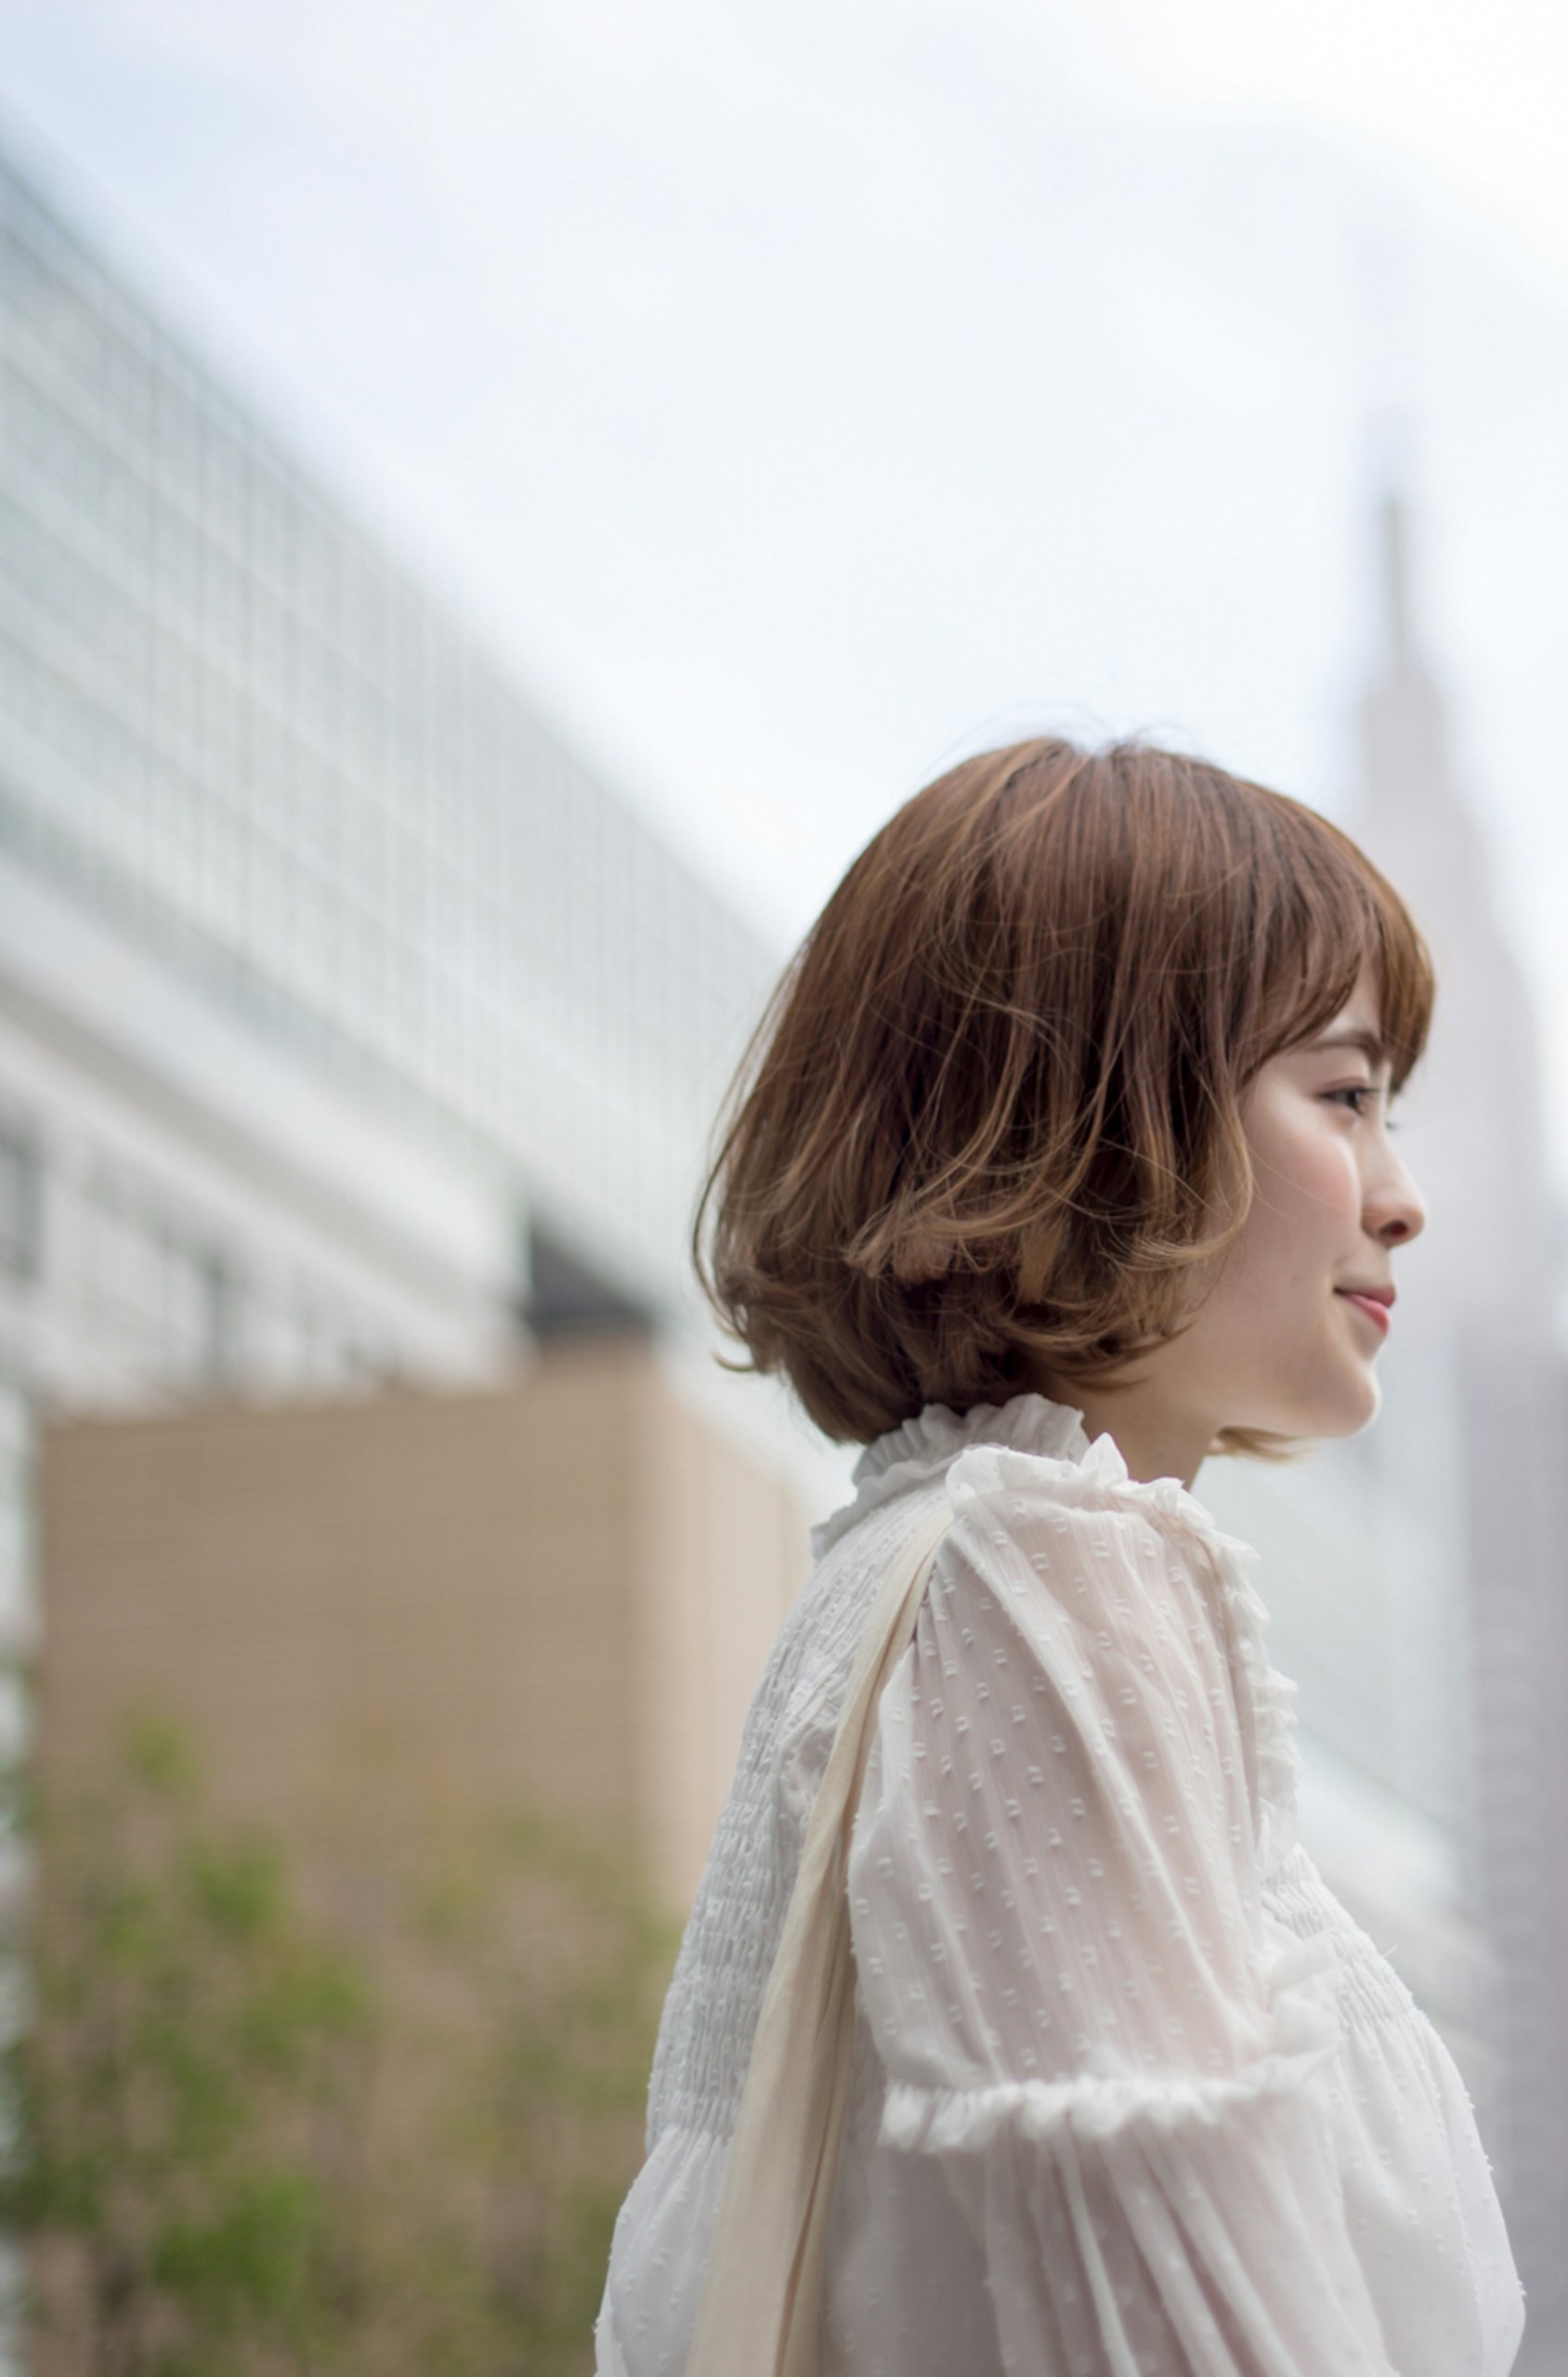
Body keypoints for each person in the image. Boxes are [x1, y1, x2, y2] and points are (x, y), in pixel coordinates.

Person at [595, 738, 1522, 2376]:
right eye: (1348, 1094)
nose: (1403, 1198)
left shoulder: (915, 1572)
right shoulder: (1041, 1578)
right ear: (1079, 1124)